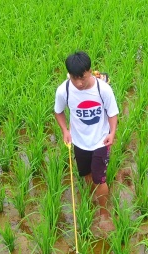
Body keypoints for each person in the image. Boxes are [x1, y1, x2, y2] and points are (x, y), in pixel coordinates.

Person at [53, 51, 118, 233]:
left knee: (99, 178)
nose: (79, 83)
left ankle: (103, 212)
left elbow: (112, 113)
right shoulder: (64, 90)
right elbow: (58, 112)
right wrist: (65, 130)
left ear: (89, 71)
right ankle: (91, 199)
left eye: (82, 77)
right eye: (75, 78)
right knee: (86, 175)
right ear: (69, 75)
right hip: (79, 142)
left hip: (100, 141)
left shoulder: (103, 89)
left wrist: (112, 133)